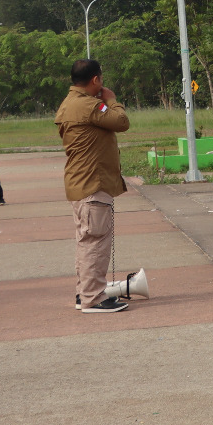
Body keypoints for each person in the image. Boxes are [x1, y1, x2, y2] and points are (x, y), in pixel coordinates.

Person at [54, 59, 131, 313]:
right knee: (95, 241)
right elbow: (121, 121)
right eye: (102, 79)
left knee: (86, 240)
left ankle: (84, 293)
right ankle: (93, 298)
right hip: (92, 183)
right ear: (95, 80)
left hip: (80, 182)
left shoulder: (68, 104)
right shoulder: (89, 104)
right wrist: (112, 99)